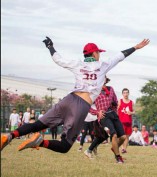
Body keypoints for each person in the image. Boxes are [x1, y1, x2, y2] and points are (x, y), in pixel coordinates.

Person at [1, 36, 149, 153]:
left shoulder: (78, 64)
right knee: (65, 146)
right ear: (95, 53)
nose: (99, 54)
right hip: (81, 106)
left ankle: (9, 136)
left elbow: (58, 59)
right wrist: (136, 47)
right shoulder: (103, 66)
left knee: (38, 124)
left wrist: (50, 47)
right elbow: (120, 56)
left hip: (68, 99)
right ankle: (40, 142)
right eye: (99, 52)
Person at [85, 77, 127, 163]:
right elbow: (87, 106)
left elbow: (115, 101)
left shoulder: (110, 89)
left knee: (123, 137)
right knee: (113, 135)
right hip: (104, 116)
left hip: (113, 115)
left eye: (103, 77)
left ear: (105, 80)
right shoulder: (94, 91)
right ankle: (118, 157)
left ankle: (114, 148)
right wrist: (97, 112)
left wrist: (115, 108)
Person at [118, 88, 135, 154]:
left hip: (128, 121)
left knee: (127, 136)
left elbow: (134, 111)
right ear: (122, 94)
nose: (125, 94)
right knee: (122, 136)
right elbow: (116, 109)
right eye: (124, 93)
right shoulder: (120, 101)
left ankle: (124, 149)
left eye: (127, 93)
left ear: (128, 93)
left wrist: (131, 112)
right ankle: (122, 148)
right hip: (121, 121)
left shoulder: (131, 102)